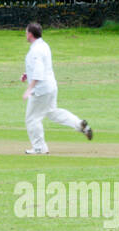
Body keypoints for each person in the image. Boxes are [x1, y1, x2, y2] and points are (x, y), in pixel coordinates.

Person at [21, 23, 92, 155]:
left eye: (26, 32)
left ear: (30, 34)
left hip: (41, 90)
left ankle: (39, 148)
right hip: (51, 87)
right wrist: (27, 75)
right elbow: (40, 66)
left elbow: (39, 70)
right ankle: (79, 124)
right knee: (52, 113)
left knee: (32, 119)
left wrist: (29, 88)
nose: (25, 35)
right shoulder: (44, 45)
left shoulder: (36, 50)